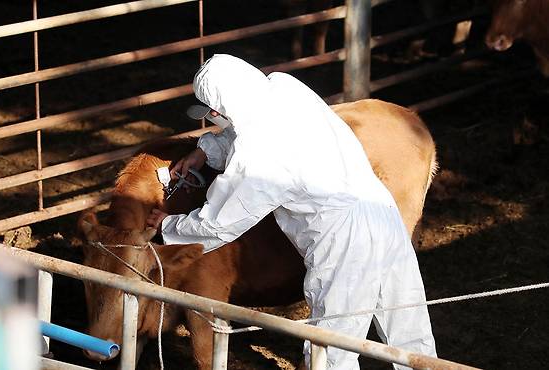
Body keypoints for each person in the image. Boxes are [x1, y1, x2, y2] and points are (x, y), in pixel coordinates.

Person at [146, 54, 436, 369]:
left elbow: (220, 223)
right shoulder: (284, 87)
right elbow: (251, 124)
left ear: (220, 109)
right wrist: (205, 152)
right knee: (409, 329)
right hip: (382, 211)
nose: (215, 117)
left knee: (331, 347)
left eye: (215, 113)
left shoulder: (257, 156)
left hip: (341, 239)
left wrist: (169, 226)